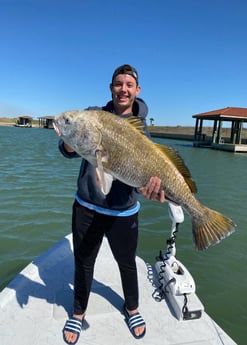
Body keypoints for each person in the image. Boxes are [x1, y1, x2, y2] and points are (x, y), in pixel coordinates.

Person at [59, 64, 165, 345]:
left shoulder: (142, 129)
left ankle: (132, 309)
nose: (123, 89)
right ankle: (78, 313)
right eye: (118, 84)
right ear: (111, 88)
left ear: (137, 90)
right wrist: (70, 140)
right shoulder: (95, 117)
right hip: (87, 207)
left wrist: (151, 189)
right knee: (83, 261)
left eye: (129, 84)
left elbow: (145, 176)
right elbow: (67, 151)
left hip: (124, 210)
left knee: (127, 263)